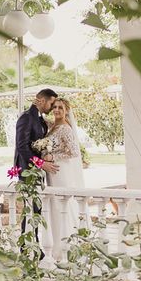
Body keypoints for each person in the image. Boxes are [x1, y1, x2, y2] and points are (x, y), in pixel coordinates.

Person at [14, 88, 59, 243]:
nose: (53, 107)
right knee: (30, 211)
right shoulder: (26, 118)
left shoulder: (39, 119)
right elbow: (22, 147)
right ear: (41, 100)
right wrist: (41, 163)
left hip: (37, 172)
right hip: (27, 172)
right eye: (51, 103)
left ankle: (35, 245)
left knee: (36, 211)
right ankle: (26, 248)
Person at [42, 98, 85, 256]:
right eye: (54, 107)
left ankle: (70, 245)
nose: (57, 110)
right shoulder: (52, 126)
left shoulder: (66, 128)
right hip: (52, 173)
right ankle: (57, 244)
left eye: (60, 107)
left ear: (66, 110)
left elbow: (73, 152)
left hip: (62, 171)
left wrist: (53, 157)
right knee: (55, 205)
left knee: (63, 205)